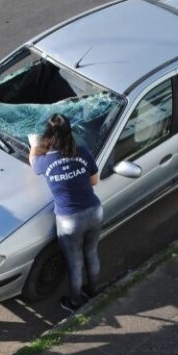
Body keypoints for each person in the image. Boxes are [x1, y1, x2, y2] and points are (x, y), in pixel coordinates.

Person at [29, 113, 103, 313]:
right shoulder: (82, 151)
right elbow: (94, 181)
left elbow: (33, 163)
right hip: (94, 211)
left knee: (75, 263)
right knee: (91, 253)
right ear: (70, 132)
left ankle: (75, 302)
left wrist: (34, 144)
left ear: (48, 135)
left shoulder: (45, 161)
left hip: (70, 220)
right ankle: (93, 291)